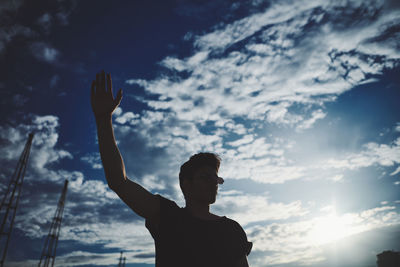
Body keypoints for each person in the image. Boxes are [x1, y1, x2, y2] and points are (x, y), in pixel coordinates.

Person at [91, 70, 252, 266]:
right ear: (186, 185)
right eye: (205, 177)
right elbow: (118, 181)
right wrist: (103, 120)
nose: (214, 183)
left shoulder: (231, 229)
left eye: (216, 178)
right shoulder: (168, 216)